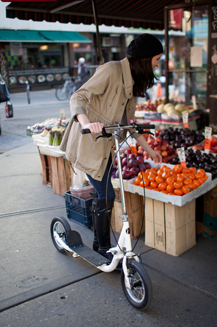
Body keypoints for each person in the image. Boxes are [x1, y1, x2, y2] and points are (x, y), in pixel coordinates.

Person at [60, 34, 163, 260]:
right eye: (156, 59)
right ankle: (102, 246)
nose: (157, 64)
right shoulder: (111, 70)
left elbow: (130, 122)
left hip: (107, 146)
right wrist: (87, 123)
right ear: (145, 58)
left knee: (105, 194)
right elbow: (78, 95)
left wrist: (149, 149)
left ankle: (101, 244)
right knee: (105, 194)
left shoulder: (134, 79)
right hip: (89, 142)